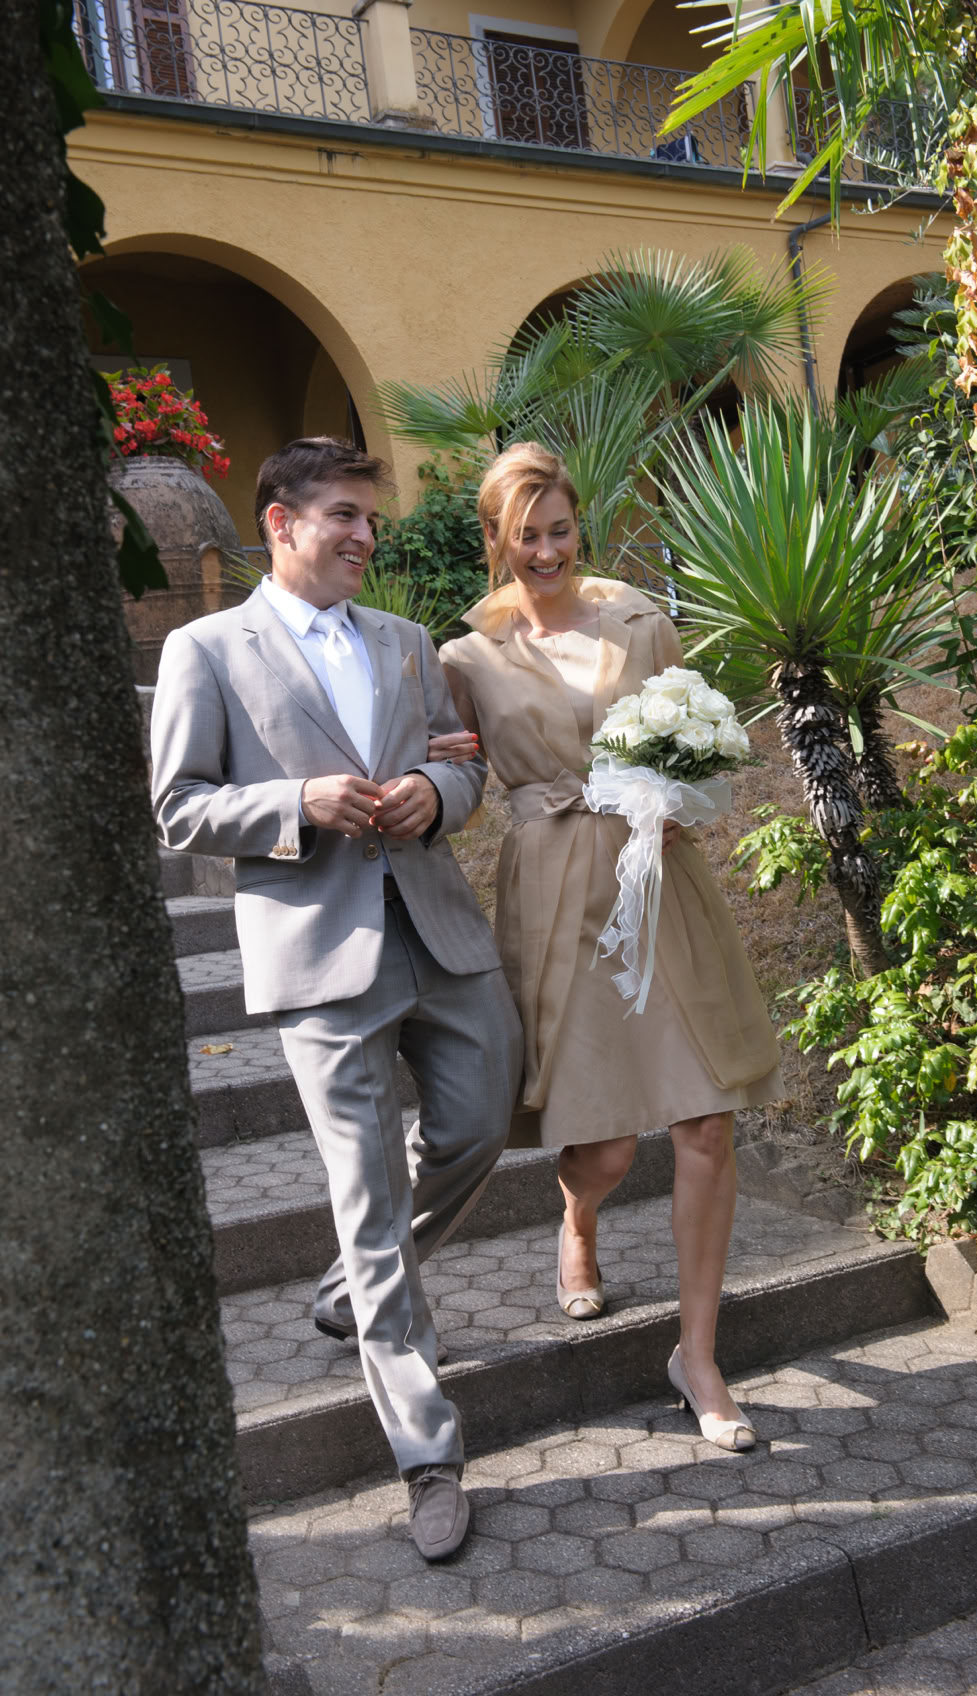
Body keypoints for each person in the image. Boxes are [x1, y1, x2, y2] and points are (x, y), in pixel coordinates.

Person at [150, 436, 522, 1559]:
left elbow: (462, 764)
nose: (366, 534)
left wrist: (432, 792)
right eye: (344, 517)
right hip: (317, 957)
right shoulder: (205, 649)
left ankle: (357, 1285)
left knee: (478, 1122)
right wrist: (297, 800)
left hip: (440, 932)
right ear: (280, 522)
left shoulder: (408, 643)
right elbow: (177, 808)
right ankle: (428, 1454)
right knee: (366, 1199)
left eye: (369, 518)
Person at [435, 442, 783, 1452]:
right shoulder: (465, 658)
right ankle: (578, 1215)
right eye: (523, 534)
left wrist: (683, 801)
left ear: (578, 524)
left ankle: (700, 1357)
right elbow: (451, 781)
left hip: (658, 882)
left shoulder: (641, 620)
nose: (545, 551)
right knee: (604, 1143)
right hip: (555, 898)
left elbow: (699, 741)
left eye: (558, 529)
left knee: (704, 1121)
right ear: (496, 541)